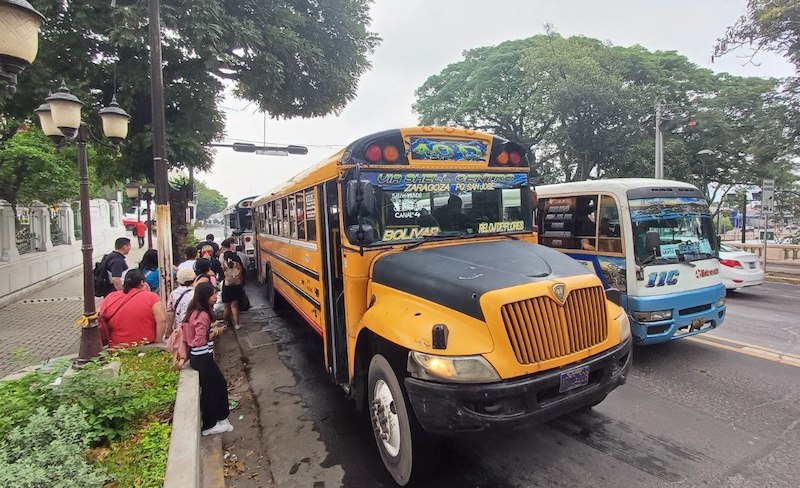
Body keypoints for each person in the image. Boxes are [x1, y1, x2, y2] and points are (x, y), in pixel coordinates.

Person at [182, 282, 233, 436]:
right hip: (202, 357)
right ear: (205, 297)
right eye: (212, 294)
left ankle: (219, 418)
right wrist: (215, 332)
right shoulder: (202, 315)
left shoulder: (196, 312)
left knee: (215, 387)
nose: (216, 297)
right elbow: (199, 340)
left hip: (199, 357)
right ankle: (210, 424)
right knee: (214, 388)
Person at [99, 269, 167, 348]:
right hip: (146, 344)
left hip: (117, 345)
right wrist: (158, 340)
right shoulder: (151, 297)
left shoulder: (111, 296)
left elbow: (99, 315)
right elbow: (162, 320)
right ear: (142, 283)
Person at [221, 240, 245, 329]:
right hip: (237, 285)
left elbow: (221, 274)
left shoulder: (223, 262)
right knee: (235, 306)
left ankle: (224, 324)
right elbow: (241, 273)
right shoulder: (237, 262)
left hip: (227, 286)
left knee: (226, 307)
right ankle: (237, 324)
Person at [167, 267, 197, 338]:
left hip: (178, 330)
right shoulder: (196, 293)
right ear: (194, 279)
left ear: (178, 280)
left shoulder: (173, 293)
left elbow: (170, 313)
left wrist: (168, 333)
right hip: (194, 328)